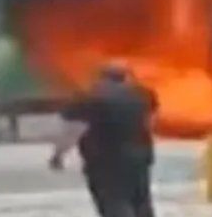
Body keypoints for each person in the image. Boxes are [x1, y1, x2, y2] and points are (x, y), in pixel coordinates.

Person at [49, 63, 159, 217]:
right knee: (141, 202)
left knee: (113, 203)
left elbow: (73, 130)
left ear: (100, 78)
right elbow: (150, 123)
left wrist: (58, 155)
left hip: (104, 159)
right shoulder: (144, 95)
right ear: (126, 78)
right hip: (139, 157)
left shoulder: (88, 98)